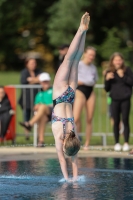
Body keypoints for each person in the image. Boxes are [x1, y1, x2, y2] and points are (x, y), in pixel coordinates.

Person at [52, 12, 90, 182]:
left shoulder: (74, 134)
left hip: (70, 95)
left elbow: (73, 158)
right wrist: (68, 179)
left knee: (75, 59)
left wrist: (73, 179)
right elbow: (62, 159)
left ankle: (84, 31)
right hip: (60, 94)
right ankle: (80, 30)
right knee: (69, 59)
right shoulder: (60, 134)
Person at [104, 52, 133, 151]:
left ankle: (126, 142)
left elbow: (131, 82)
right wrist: (107, 79)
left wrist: (123, 76)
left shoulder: (127, 70)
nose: (118, 62)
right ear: (112, 61)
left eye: (119, 60)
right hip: (114, 99)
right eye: (116, 60)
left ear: (122, 61)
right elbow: (106, 89)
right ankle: (116, 142)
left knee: (125, 120)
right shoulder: (109, 72)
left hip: (125, 99)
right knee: (116, 121)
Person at [73, 46, 98, 150]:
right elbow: (74, 79)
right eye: (90, 54)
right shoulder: (78, 65)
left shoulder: (93, 67)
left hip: (90, 91)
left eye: (93, 55)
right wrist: (81, 82)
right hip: (80, 90)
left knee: (89, 118)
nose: (91, 57)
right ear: (85, 54)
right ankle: (73, 140)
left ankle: (87, 143)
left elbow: (94, 80)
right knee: (76, 117)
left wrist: (86, 81)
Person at [19, 72, 53, 147]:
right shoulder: (39, 94)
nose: (45, 83)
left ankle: (30, 123)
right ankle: (41, 141)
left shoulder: (53, 90)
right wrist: (38, 106)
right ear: (41, 83)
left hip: (54, 112)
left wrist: (42, 105)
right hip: (45, 114)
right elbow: (35, 106)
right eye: (44, 82)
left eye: (47, 81)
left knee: (43, 107)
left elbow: (56, 102)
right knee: (42, 117)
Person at [18, 58, 41, 139]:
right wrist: (36, 80)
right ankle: (26, 135)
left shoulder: (39, 71)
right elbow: (24, 82)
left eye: (34, 63)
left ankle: (38, 137)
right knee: (26, 117)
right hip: (26, 99)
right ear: (27, 64)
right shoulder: (24, 72)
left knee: (37, 117)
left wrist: (31, 80)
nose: (33, 64)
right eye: (31, 63)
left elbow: (42, 80)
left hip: (37, 98)